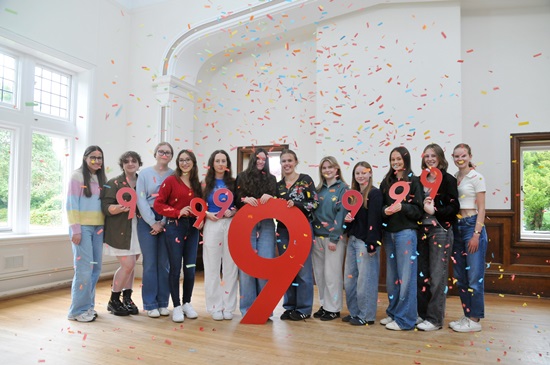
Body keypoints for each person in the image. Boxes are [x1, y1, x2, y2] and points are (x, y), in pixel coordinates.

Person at [154, 149, 202, 323]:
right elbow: (159, 204)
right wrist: (176, 212)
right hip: (175, 227)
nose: (184, 163)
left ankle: (187, 303)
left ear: (193, 162)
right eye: (181, 160)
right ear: (178, 163)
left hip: (193, 229)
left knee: (190, 269)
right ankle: (176, 306)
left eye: (188, 160)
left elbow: (201, 207)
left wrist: (201, 217)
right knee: (175, 269)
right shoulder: (171, 181)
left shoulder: (198, 183)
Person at [416, 144, 460, 331]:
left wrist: (435, 210)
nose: (430, 159)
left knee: (437, 276)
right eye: (427, 156)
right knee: (422, 276)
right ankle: (423, 315)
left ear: (441, 158)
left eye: (434, 156)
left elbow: (454, 208)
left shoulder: (448, 179)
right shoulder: (420, 180)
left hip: (440, 230)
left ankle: (435, 319)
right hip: (421, 230)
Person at [379, 146, 423, 331]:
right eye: (392, 159)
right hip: (389, 234)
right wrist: (385, 211)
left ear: (406, 159)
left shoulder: (414, 181)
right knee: (392, 278)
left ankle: (406, 320)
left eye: (399, 159)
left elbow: (418, 211)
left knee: (406, 277)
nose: (395, 162)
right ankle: (395, 313)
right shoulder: (387, 181)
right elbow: (379, 208)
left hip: (406, 234)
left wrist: (402, 207)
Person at [276, 149, 318, 321]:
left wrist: (297, 205)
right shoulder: (278, 186)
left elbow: (314, 203)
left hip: (302, 231)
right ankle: (289, 306)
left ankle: (304, 309)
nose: (287, 164)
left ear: (295, 162)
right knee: (288, 270)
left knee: (303, 270)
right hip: (283, 232)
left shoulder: (305, 180)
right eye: (284, 161)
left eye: (289, 160)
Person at [234, 147, 277, 317]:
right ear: (253, 159)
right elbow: (236, 199)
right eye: (258, 158)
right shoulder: (242, 177)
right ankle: (247, 309)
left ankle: (265, 308)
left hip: (266, 225)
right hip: (247, 225)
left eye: (264, 159)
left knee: (265, 265)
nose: (261, 162)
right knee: (246, 268)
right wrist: (244, 199)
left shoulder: (272, 179)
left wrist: (271, 198)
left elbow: (276, 200)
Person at [449, 143, 487, 332]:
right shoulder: (454, 178)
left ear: (470, 156)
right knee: (460, 277)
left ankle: (475, 319)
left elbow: (482, 208)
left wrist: (476, 234)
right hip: (457, 227)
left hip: (472, 225)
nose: (459, 159)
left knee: (474, 277)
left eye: (463, 155)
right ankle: (467, 315)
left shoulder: (476, 177)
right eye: (456, 156)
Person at [66, 145, 107, 322]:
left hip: (99, 227)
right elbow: (71, 204)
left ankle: (88, 306)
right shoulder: (76, 176)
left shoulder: (102, 178)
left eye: (100, 157)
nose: (97, 160)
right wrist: (76, 229)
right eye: (93, 157)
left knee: (95, 269)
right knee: (84, 270)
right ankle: (76, 311)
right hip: (82, 228)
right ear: (85, 158)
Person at [101, 151, 143, 316]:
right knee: (128, 265)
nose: (130, 163)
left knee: (131, 267)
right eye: (127, 161)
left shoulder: (143, 182)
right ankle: (113, 300)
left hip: (138, 230)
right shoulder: (113, 183)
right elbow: (105, 207)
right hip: (120, 230)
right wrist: (117, 208)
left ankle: (127, 298)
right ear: (122, 164)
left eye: (134, 161)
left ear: (139, 163)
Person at [343, 161, 383, 326]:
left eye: (364, 173)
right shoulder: (352, 195)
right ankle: (355, 312)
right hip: (352, 240)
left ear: (370, 173)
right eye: (357, 173)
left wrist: (372, 243)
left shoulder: (374, 194)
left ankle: (366, 316)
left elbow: (375, 220)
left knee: (365, 280)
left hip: (366, 242)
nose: (360, 176)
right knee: (350, 280)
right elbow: (351, 222)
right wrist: (347, 221)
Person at [136, 142, 173, 318]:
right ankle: (150, 304)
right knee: (150, 264)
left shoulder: (174, 175)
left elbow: (173, 201)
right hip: (146, 221)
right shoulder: (144, 174)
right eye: (161, 151)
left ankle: (163, 303)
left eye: (167, 152)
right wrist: (152, 222)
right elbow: (141, 200)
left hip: (167, 221)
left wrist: (163, 221)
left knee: (164, 264)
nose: (164, 154)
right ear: (155, 153)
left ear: (171, 156)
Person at [201, 150, 238, 321]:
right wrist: (207, 213)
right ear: (212, 163)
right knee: (212, 267)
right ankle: (215, 306)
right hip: (212, 224)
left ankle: (229, 307)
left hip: (231, 225)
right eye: (218, 160)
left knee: (231, 267)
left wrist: (234, 211)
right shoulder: (205, 183)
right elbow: (200, 206)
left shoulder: (233, 183)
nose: (221, 163)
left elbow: (238, 204)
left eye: (224, 160)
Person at [311, 156, 348, 321]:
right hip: (317, 238)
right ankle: (325, 305)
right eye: (324, 168)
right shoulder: (318, 190)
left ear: (336, 169)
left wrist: (334, 238)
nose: (327, 170)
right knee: (320, 274)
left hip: (334, 238)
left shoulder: (343, 189)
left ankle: (333, 308)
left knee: (332, 274)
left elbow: (342, 214)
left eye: (330, 167)